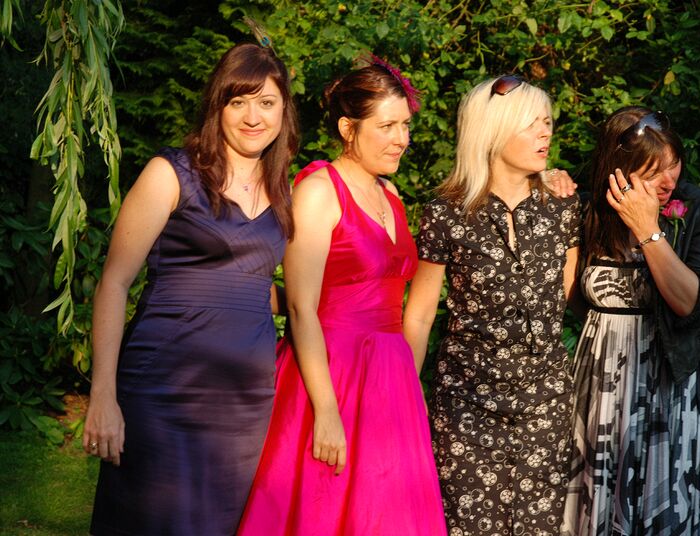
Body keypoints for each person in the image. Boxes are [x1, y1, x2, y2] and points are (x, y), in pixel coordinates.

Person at [82, 41, 299, 535]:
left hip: (245, 402)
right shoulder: (172, 174)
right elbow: (114, 282)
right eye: (238, 102)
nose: (253, 117)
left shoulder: (286, 191)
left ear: (284, 110)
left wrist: (338, 307)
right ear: (217, 106)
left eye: (266, 102)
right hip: (162, 391)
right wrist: (102, 396)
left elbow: (251, 286)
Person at [237, 57, 447, 535]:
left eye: (405, 125)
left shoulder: (391, 194)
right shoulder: (318, 192)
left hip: (390, 376)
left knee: (385, 511)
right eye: (387, 126)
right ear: (348, 128)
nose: (401, 139)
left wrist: (405, 386)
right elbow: (300, 307)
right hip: (332, 372)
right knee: (324, 505)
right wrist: (327, 411)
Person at [403, 75, 582, 536]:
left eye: (548, 123)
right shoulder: (446, 211)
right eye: (532, 123)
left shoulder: (563, 205)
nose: (546, 133)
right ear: (495, 130)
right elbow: (420, 314)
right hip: (466, 403)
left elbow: (567, 298)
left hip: (545, 404)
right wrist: (406, 394)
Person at [562, 106, 700, 535]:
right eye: (653, 172)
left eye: (673, 165)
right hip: (603, 386)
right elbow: (573, 298)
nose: (668, 181)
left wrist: (648, 230)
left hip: (675, 384)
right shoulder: (590, 212)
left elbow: (694, 303)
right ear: (618, 172)